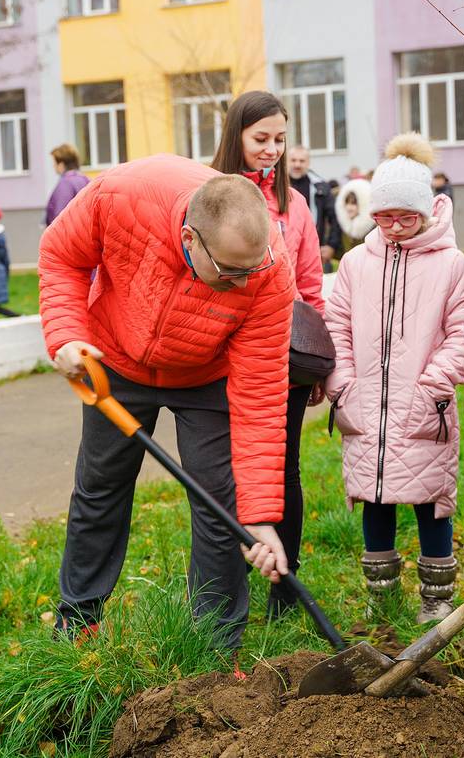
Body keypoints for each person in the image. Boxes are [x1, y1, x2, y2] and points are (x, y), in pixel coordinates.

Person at [39, 154, 295, 659]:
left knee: (220, 503)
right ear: (190, 239)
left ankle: (215, 644)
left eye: (254, 267)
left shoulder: (269, 274)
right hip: (114, 356)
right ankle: (78, 622)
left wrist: (260, 516)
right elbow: (60, 256)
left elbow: (260, 397)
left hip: (206, 375)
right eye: (230, 271)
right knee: (100, 487)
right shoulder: (123, 195)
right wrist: (67, 336)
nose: (244, 283)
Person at [325, 133, 464, 622]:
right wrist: (342, 385)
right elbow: (337, 326)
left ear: (426, 212)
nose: (394, 227)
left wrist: (434, 382)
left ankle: (436, 599)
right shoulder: (354, 264)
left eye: (405, 217)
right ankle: (381, 597)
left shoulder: (452, 266)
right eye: (384, 216)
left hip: (425, 409)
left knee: (432, 500)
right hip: (365, 406)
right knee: (375, 496)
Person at [211, 92, 325, 619]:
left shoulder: (294, 206)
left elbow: (309, 284)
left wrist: (323, 356)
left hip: (284, 357)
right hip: (222, 357)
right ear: (236, 136)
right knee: (227, 472)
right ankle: (223, 588)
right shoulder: (210, 197)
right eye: (261, 139)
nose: (272, 150)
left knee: (284, 471)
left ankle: (284, 590)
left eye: (280, 139)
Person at [287, 145, 342, 271]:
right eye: (293, 160)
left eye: (301, 161)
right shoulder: (276, 185)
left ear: (308, 163)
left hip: (314, 252)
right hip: (284, 251)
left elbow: (335, 218)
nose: (297, 164)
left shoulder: (320, 187)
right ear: (287, 161)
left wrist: (331, 245)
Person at [45, 144, 90, 227]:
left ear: (61, 164)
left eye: (54, 163)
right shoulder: (86, 180)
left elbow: (59, 217)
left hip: (69, 236)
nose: (53, 166)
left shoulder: (66, 184)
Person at [336, 178, 374, 249]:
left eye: (353, 203)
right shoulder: (343, 227)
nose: (349, 207)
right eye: (346, 203)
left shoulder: (373, 230)